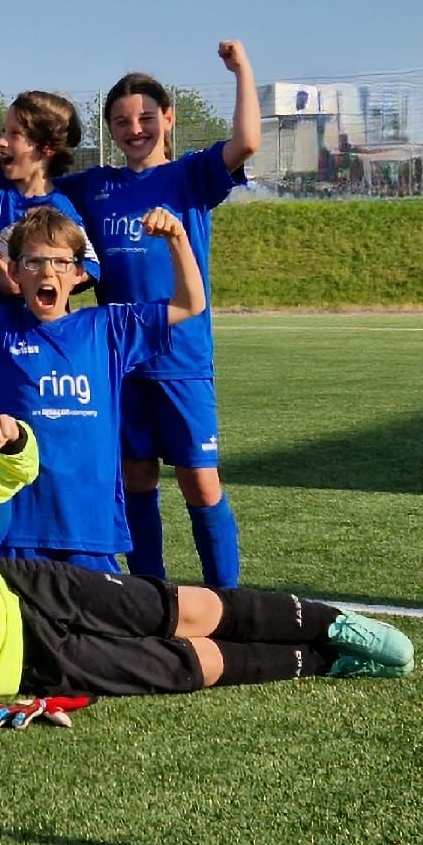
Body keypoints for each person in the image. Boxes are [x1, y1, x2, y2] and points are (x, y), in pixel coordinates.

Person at [0, 425, 414, 733]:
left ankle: (333, 622)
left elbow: (11, 472)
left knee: (185, 608)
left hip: (28, 589)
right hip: (29, 666)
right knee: (182, 666)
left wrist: (13, 438)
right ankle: (323, 662)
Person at [0, 197, 202, 567]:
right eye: (34, 262)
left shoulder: (107, 328)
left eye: (61, 262)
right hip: (18, 530)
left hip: (89, 529)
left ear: (78, 272)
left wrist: (177, 238)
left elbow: (190, 303)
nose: (48, 272)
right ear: (15, 271)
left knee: (95, 605)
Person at [57, 42, 260, 586]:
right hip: (122, 361)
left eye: (146, 117)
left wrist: (241, 70)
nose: (135, 129)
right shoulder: (95, 187)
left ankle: (226, 599)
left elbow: (247, 141)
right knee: (136, 478)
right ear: (110, 129)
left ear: (168, 119)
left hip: (182, 358)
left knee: (200, 482)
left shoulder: (190, 176)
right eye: (122, 121)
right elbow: (33, 182)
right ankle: (150, 593)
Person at [0, 28, 99, 425]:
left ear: (45, 149)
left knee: (36, 442)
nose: (2, 142)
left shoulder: (61, 210)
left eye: (14, 134)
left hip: (37, 345)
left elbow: (87, 269)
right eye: (3, 132)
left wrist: (23, 285)